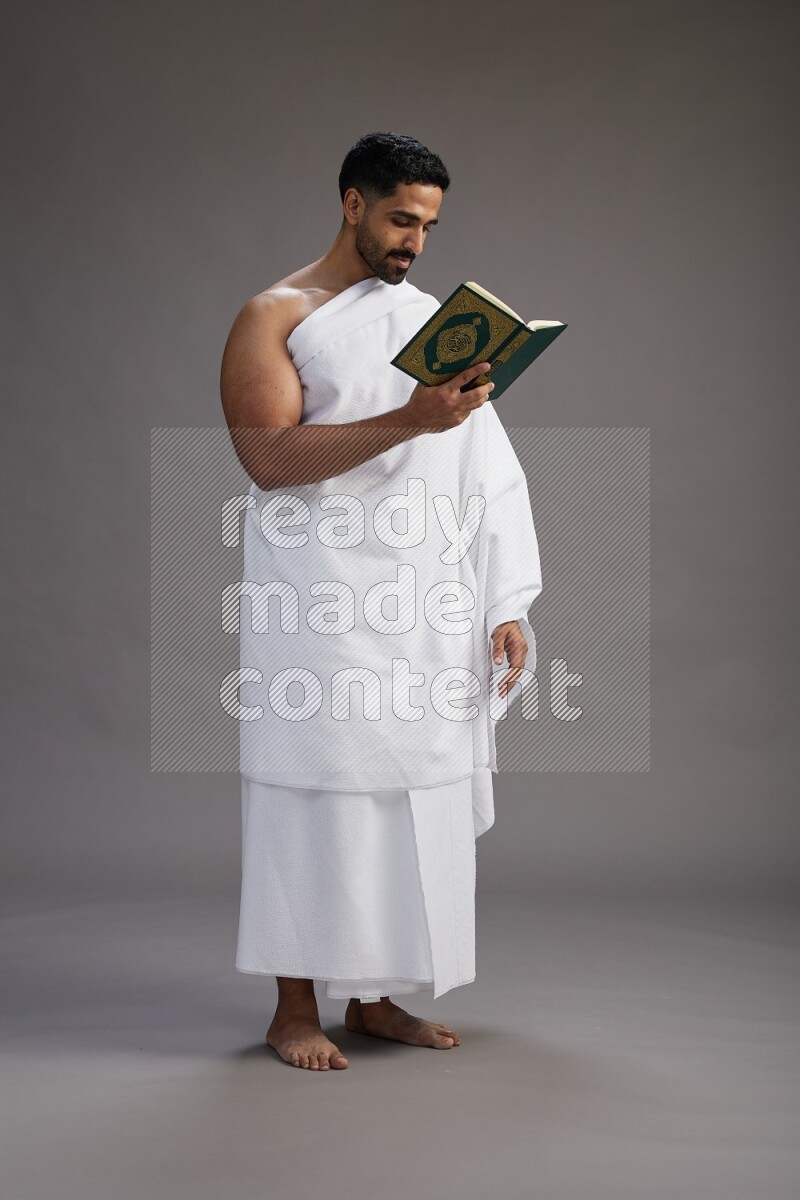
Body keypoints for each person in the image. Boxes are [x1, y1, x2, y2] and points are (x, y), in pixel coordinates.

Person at [220, 132, 541, 1070]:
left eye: (430, 226)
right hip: (317, 599)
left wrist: (502, 603)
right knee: (311, 790)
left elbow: (486, 466)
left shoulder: (436, 322)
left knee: (408, 795)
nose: (414, 244)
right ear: (353, 203)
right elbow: (269, 461)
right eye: (402, 219)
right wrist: (409, 416)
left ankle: (373, 996)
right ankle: (292, 1009)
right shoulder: (275, 315)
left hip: (425, 598)